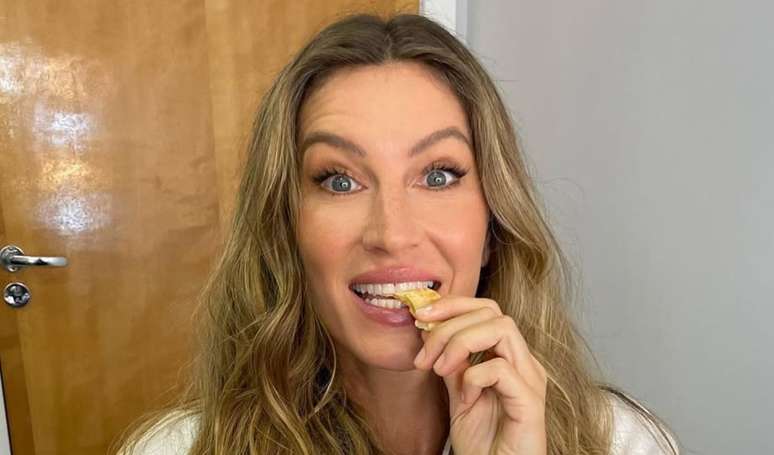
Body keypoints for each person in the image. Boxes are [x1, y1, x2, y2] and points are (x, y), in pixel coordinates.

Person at [115, 12, 681, 455]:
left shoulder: (622, 441)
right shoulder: (177, 448)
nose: (392, 233)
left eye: (438, 176)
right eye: (340, 180)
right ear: (286, 229)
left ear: (493, 226)